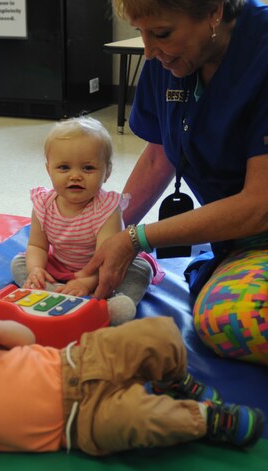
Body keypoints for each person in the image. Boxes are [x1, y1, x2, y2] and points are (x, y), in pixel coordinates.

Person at [81, 0, 268, 364]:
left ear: (214, 11)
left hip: (257, 223)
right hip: (242, 244)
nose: (149, 51)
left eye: (162, 34)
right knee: (224, 313)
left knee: (234, 322)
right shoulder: (169, 58)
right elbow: (160, 154)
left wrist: (137, 238)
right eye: (141, 34)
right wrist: (103, 235)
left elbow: (259, 207)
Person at [0, 316, 264, 461]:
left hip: (78, 360)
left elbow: (27, 339)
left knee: (158, 333)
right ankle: (208, 421)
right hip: (81, 423)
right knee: (142, 419)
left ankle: (175, 379)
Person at [11, 116, 164, 325]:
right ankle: (51, 291)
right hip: (62, 265)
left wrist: (87, 281)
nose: (75, 176)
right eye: (64, 168)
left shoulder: (107, 209)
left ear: (106, 172)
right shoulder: (43, 204)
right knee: (20, 263)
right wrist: (36, 269)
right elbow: (37, 245)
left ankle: (112, 305)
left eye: (88, 168)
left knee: (139, 270)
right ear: (49, 170)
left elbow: (107, 257)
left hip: (104, 268)